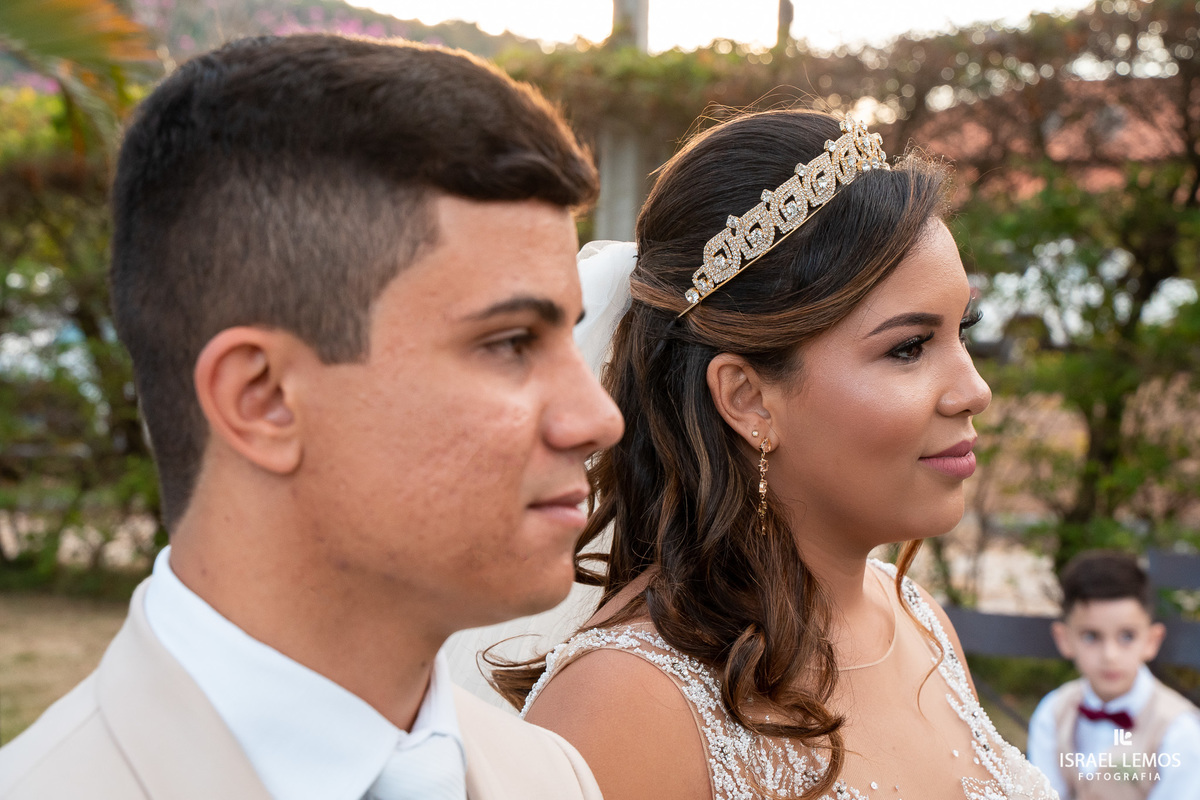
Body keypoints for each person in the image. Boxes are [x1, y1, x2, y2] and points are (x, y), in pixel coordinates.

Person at [0, 34, 623, 800]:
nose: (596, 417)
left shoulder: (551, 775)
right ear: (261, 399)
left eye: (569, 332)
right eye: (508, 343)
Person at [488, 109, 1058, 800]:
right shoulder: (627, 705)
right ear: (750, 399)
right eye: (908, 348)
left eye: (963, 330)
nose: (975, 390)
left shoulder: (919, 620)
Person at [1027, 550, 1200, 799]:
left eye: (1127, 636)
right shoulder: (1052, 713)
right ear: (1064, 639)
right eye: (1091, 636)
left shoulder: (1180, 731)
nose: (1110, 655)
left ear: (1152, 640)